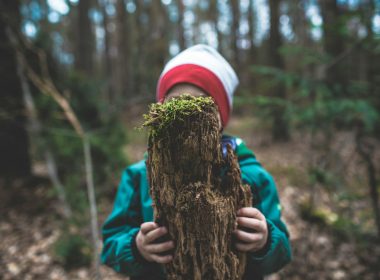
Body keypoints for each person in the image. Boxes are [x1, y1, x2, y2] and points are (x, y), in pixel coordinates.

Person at [101, 44, 292, 279]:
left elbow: (282, 252)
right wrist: (136, 248)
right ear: (160, 112)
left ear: (221, 117)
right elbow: (110, 245)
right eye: (176, 104)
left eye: (202, 105)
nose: (189, 115)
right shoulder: (139, 176)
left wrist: (265, 241)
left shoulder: (252, 177)